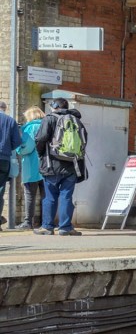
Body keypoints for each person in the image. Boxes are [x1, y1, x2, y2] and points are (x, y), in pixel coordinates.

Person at [34, 98, 86, 236]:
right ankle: (66, 227)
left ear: (55, 106)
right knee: (66, 196)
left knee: (50, 196)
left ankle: (47, 227)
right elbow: (84, 140)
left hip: (51, 164)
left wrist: (41, 154)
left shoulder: (49, 119)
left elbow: (40, 139)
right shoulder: (76, 120)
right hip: (71, 166)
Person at [14, 106, 45, 230]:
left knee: (30, 194)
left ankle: (28, 222)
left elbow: (27, 147)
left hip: (32, 165)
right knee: (46, 195)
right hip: (46, 166)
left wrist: (18, 149)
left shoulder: (31, 127)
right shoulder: (47, 125)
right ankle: (47, 222)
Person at [0, 101, 20, 231]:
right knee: (0, 190)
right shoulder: (10, 121)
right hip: (4, 158)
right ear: (5, 108)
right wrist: (6, 149)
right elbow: (17, 142)